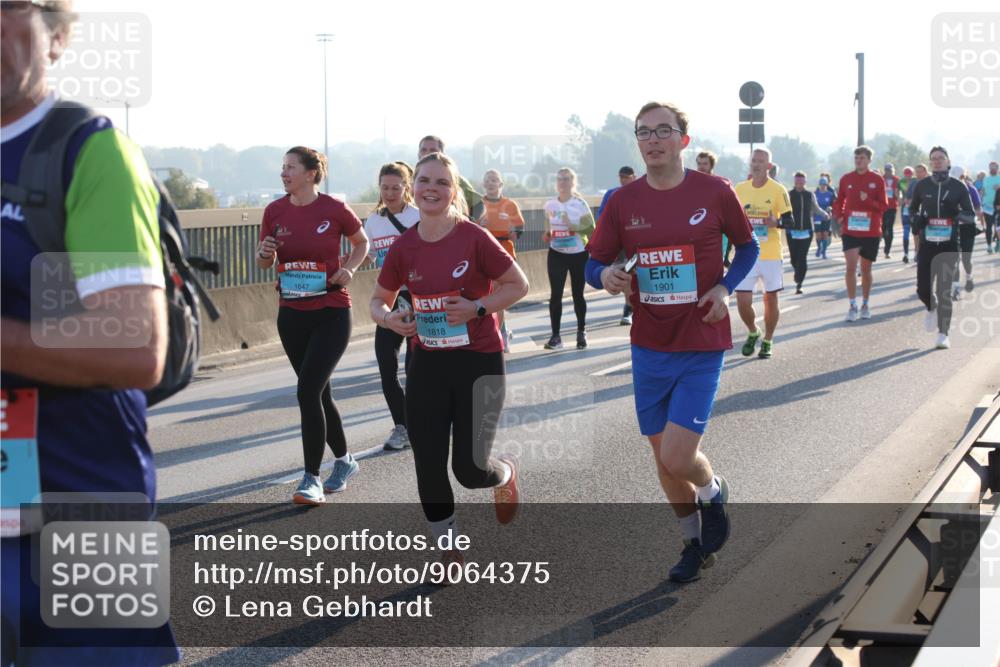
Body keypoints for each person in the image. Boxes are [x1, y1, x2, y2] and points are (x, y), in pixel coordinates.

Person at [1, 1, 180, 663]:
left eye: (9, 6)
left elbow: (135, 347)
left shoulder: (87, 150)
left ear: (60, 37)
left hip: (84, 506)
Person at [585, 101, 758, 583]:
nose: (653, 139)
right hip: (649, 344)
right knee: (661, 458)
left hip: (701, 339)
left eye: (664, 130)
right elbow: (591, 263)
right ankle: (692, 544)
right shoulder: (621, 202)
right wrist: (608, 274)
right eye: (644, 132)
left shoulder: (715, 191)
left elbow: (748, 247)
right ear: (638, 142)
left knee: (679, 458)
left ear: (684, 139)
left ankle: (712, 490)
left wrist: (725, 287)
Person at [370, 151, 529, 565]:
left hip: (479, 362)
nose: (432, 189)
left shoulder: (474, 237)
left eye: (442, 182)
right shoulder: (405, 247)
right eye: (424, 181)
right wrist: (391, 320)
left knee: (470, 470)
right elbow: (376, 301)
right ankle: (447, 549)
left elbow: (518, 284)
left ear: (454, 191)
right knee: (428, 461)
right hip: (427, 363)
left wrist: (479, 308)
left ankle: (505, 472)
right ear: (412, 189)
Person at [257, 146, 369, 505]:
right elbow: (264, 262)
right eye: (282, 167)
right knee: (319, 393)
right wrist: (264, 255)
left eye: (290, 167)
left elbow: (361, 242)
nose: (284, 173)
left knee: (306, 392)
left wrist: (349, 268)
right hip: (291, 313)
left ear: (310, 173)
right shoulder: (274, 210)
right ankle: (345, 461)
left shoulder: (334, 209)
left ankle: (311, 479)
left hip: (331, 312)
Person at [364, 162, 420, 450]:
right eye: (384, 187)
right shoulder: (373, 221)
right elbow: (369, 253)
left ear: (406, 188)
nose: (389, 193)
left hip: (419, 297)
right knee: (386, 363)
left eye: (395, 188)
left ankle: (423, 421)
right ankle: (402, 426)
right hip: (389, 298)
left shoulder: (419, 217)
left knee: (415, 368)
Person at [909, 147, 975, 349]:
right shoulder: (922, 185)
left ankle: (943, 333)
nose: (937, 162)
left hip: (948, 245)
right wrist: (917, 220)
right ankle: (931, 305)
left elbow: (970, 215)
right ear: (930, 163)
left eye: (940, 158)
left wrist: (956, 216)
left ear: (948, 161)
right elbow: (912, 211)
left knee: (944, 288)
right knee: (923, 289)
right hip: (928, 244)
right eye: (933, 159)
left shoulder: (958, 187)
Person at [733, 148, 793, 358]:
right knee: (742, 301)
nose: (757, 164)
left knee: (771, 299)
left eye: (761, 161)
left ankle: (767, 339)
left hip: (770, 255)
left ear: (769, 166)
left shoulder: (778, 190)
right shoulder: (740, 189)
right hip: (746, 253)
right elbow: (730, 218)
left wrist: (776, 222)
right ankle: (752, 330)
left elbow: (790, 221)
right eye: (754, 161)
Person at [832, 145, 888, 322]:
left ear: (869, 160)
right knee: (850, 266)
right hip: (851, 230)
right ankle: (852, 305)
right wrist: (839, 217)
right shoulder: (846, 179)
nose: (859, 161)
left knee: (866, 268)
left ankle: (865, 303)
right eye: (856, 158)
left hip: (871, 230)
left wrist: (869, 201)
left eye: (862, 158)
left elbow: (884, 206)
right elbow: (839, 201)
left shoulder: (877, 180)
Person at [542, 167, 595, 350]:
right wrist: (548, 234)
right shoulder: (550, 205)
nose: (562, 182)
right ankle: (556, 337)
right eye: (559, 179)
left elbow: (591, 228)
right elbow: (548, 226)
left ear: (573, 182)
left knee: (577, 294)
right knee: (555, 295)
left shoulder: (579, 204)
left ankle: (581, 332)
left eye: (566, 179)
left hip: (578, 254)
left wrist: (573, 226)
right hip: (556, 253)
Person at [478, 169, 525, 350]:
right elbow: (467, 225)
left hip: (504, 251)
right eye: (488, 180)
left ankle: (500, 333)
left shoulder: (510, 204)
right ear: (484, 184)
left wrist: (514, 232)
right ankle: (495, 330)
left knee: (499, 295)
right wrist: (478, 224)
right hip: (483, 252)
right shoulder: (478, 204)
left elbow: (519, 226)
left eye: (494, 180)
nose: (491, 183)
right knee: (485, 295)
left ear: (501, 184)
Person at [598, 165, 638, 325]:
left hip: (636, 241)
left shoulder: (641, 192)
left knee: (636, 275)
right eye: (621, 177)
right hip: (619, 243)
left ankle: (635, 306)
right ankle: (628, 309)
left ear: (634, 177)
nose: (623, 180)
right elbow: (601, 217)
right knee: (625, 275)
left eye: (626, 177)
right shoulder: (611, 194)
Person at [418, 135, 482, 219]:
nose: (427, 153)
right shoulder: (410, 179)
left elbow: (479, 204)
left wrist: (469, 223)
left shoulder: (455, 179)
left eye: (433, 150)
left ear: (442, 154)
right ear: (418, 153)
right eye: (423, 150)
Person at [787, 171, 830, 294]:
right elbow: (783, 210)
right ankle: (797, 272)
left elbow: (816, 208)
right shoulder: (789, 195)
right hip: (792, 232)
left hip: (807, 231)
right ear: (794, 181)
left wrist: (825, 214)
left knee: (802, 258)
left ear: (805, 182)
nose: (799, 183)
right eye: (797, 181)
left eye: (801, 181)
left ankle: (799, 283)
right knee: (793, 259)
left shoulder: (809, 195)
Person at [950, 167, 983, 300]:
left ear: (964, 177)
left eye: (960, 178)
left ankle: (969, 276)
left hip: (968, 227)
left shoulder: (971, 189)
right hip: (953, 228)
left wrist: (971, 217)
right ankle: (956, 288)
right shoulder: (948, 189)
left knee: (966, 259)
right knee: (955, 259)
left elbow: (978, 208)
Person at [906, 163, 929, 259]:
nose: (919, 174)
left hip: (928, 211)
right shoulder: (913, 183)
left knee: (926, 233)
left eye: (921, 171)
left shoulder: (930, 182)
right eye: (917, 172)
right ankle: (917, 251)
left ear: (926, 172)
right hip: (916, 211)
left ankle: (927, 251)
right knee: (916, 232)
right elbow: (908, 198)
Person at [813, 175, 836, 259]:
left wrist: (830, 208)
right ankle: (819, 248)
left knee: (825, 235)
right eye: (821, 184)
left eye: (824, 185)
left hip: (827, 217)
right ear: (819, 185)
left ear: (827, 185)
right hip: (817, 217)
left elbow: (834, 204)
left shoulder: (830, 194)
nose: (823, 186)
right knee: (819, 235)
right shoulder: (815, 194)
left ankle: (824, 252)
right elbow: (812, 205)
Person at [881, 164, 901, 259]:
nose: (888, 172)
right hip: (882, 207)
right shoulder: (880, 179)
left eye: (890, 170)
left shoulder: (897, 180)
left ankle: (887, 250)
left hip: (892, 207)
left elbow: (901, 192)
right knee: (883, 228)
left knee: (890, 228)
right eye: (887, 170)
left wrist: (899, 196)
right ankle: (884, 242)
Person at [898, 166, 915, 263]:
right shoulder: (901, 182)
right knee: (906, 232)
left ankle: (917, 253)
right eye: (906, 174)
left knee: (916, 234)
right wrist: (899, 199)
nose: (908, 176)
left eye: (909, 174)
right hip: (905, 209)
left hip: (916, 209)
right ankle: (905, 254)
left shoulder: (916, 181)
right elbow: (898, 191)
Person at [983, 161, 1000, 254]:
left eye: (994, 167)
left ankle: (998, 243)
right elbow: (984, 190)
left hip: (998, 206)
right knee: (988, 226)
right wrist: (982, 194)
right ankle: (989, 246)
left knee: (998, 227)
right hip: (987, 206)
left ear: (997, 168)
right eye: (990, 167)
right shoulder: (986, 179)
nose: (992, 169)